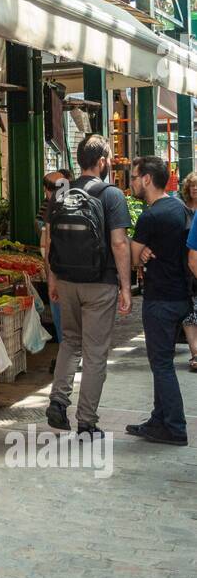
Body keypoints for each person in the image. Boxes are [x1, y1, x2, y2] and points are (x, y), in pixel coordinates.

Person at [46, 134, 132, 437]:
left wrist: (52, 280)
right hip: (100, 283)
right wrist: (125, 287)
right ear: (102, 161)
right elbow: (119, 243)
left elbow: (50, 241)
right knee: (95, 352)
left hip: (66, 281)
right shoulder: (111, 195)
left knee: (70, 342)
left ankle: (58, 402)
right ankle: (86, 421)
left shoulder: (61, 193)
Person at [127, 156, 191, 445]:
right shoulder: (179, 207)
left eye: (134, 177)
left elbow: (132, 258)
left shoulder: (150, 217)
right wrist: (144, 251)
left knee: (162, 364)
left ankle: (175, 427)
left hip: (160, 299)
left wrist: (139, 252)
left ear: (147, 179)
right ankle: (159, 419)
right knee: (161, 361)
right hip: (180, 295)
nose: (132, 183)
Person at [38, 168, 73, 363]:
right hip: (79, 273)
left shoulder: (53, 208)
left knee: (61, 317)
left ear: (48, 190)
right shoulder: (79, 203)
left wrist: (49, 276)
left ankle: (66, 358)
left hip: (59, 272)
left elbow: (48, 244)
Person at [179, 171, 197, 371]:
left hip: (192, 262)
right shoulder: (182, 210)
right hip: (186, 264)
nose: (195, 189)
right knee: (189, 311)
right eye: (192, 185)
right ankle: (195, 353)